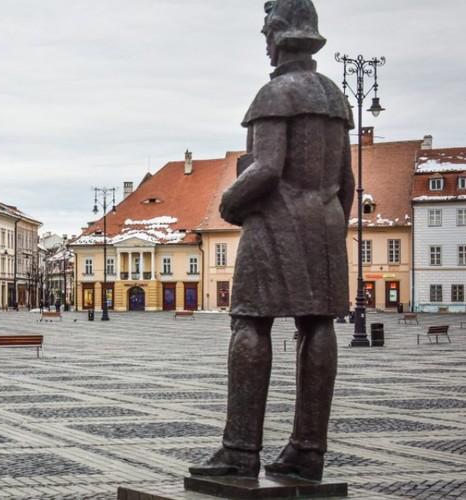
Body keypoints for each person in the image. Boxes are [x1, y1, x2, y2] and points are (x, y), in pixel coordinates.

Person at [190, 0, 353, 482]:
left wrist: (229, 203)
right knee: (317, 325)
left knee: (249, 325)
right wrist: (335, 222)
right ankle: (307, 451)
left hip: (276, 220)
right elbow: (346, 181)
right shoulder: (334, 97)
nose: (264, 41)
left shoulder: (276, 93)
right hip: (325, 220)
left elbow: (265, 168)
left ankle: (240, 450)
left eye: (266, 31)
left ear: (279, 35)